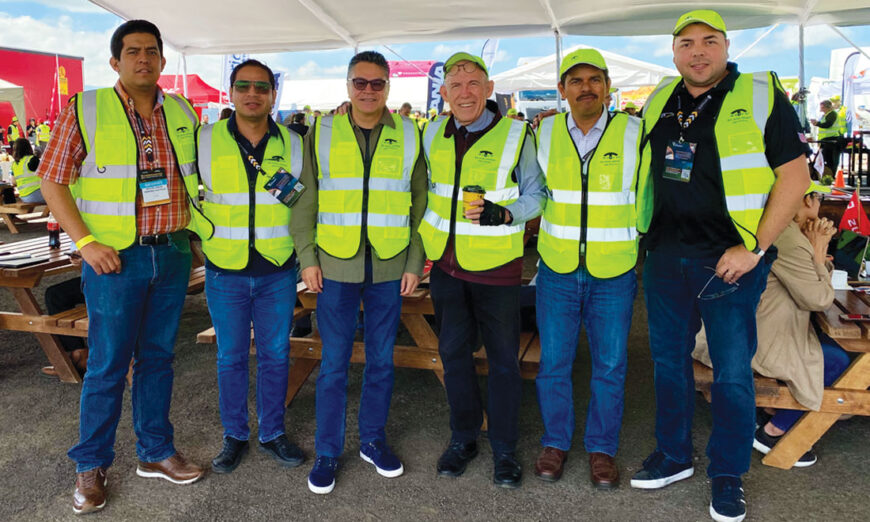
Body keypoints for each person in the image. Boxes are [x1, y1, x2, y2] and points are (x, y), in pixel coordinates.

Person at [632, 10, 811, 522]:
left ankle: (727, 473)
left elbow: (794, 179)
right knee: (668, 362)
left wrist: (753, 247)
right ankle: (673, 454)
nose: (698, 52)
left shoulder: (759, 94)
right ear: (673, 52)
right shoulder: (662, 97)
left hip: (732, 260)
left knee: (732, 372)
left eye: (709, 41)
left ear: (727, 46)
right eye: (686, 43)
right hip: (666, 254)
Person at [37, 19, 206, 515]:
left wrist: (195, 242)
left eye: (151, 51)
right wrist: (85, 242)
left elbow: (191, 177)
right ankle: (91, 465)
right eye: (132, 51)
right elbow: (52, 181)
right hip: (114, 259)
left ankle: (155, 452)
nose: (143, 59)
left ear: (162, 59)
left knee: (157, 359)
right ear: (115, 61)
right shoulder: (86, 108)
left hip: (172, 251)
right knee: (109, 364)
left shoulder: (180, 110)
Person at [290, 50, 427, 495]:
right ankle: (328, 450)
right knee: (333, 363)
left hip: (390, 266)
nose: (369, 90)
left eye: (377, 83)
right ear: (347, 86)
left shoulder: (409, 132)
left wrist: (414, 262)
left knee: (381, 361)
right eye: (360, 82)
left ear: (389, 87)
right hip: (334, 266)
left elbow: (421, 202)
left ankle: (372, 440)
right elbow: (303, 197)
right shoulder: (321, 132)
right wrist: (307, 257)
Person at [420, 52, 545, 489]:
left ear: (490, 89)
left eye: (474, 83)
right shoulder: (432, 130)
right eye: (456, 85)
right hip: (446, 268)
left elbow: (538, 194)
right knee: (453, 355)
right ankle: (464, 437)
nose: (465, 93)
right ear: (445, 93)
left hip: (497, 269)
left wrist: (508, 214)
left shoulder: (516, 133)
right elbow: (428, 193)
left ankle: (506, 447)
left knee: (503, 362)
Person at [532, 48, 641, 489]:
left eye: (594, 79)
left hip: (614, 269)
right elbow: (534, 191)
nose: (585, 88)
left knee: (610, 364)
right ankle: (555, 442)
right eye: (575, 81)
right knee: (553, 362)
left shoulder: (635, 131)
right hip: (557, 267)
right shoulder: (544, 131)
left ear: (608, 87)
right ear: (562, 91)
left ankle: (601, 449)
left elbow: (650, 194)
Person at [195, 59, 306, 475]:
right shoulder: (203, 139)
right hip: (225, 267)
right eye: (244, 86)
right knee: (231, 356)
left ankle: (273, 432)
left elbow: (302, 200)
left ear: (273, 94)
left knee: (277, 355)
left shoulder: (295, 142)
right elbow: (186, 191)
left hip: (278, 268)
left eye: (262, 87)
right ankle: (235, 435)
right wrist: (201, 234)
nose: (253, 93)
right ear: (231, 91)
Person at [693, 182, 851, 468]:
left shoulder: (775, 228)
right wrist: (818, 251)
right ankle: (774, 432)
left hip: (739, 332)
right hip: (759, 342)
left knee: (832, 348)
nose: (819, 206)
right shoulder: (789, 238)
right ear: (804, 200)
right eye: (817, 199)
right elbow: (818, 299)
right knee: (840, 361)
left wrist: (814, 254)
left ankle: (770, 412)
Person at [11, 138, 44, 203]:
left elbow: (13, 182)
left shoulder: (14, 164)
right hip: (37, 194)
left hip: (24, 197)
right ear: (29, 147)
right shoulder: (32, 159)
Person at [811, 100, 841, 173]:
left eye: (822, 106)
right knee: (825, 158)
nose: (821, 108)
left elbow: (828, 124)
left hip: (831, 139)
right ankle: (826, 173)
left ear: (826, 107)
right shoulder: (825, 115)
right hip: (825, 140)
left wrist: (817, 123)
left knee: (830, 159)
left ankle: (831, 173)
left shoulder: (832, 114)